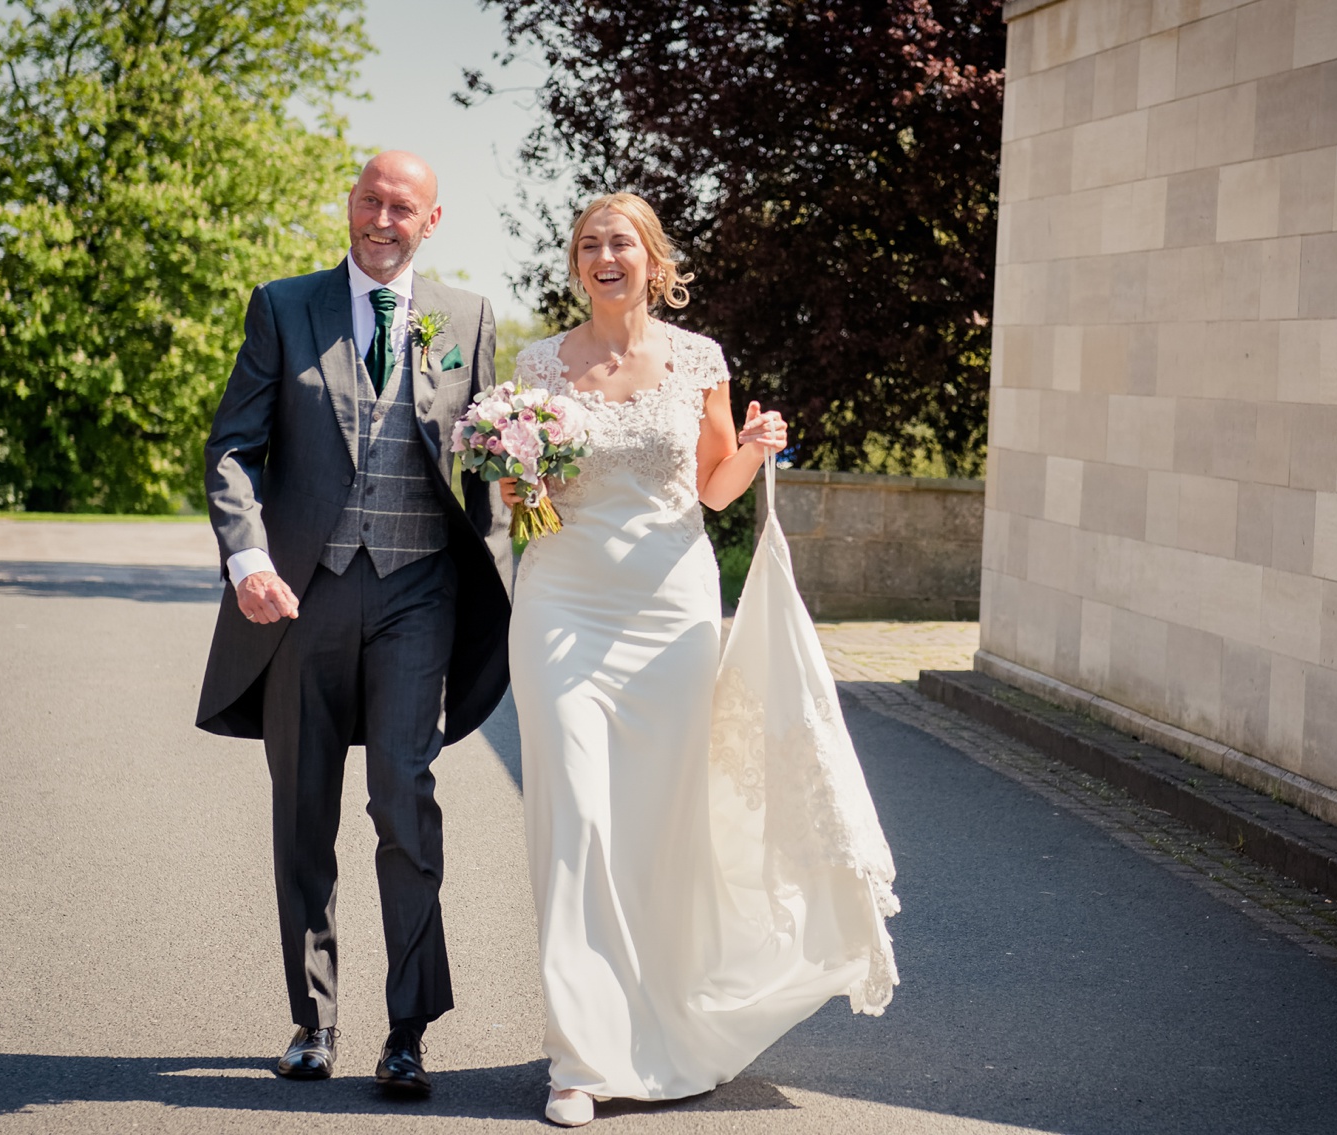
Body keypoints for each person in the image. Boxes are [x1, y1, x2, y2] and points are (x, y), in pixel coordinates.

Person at [503, 193, 895, 1128]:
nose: (606, 256)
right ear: (575, 263)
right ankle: (580, 1056)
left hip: (670, 612)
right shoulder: (534, 365)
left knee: (659, 826)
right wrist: (519, 478)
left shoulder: (698, 360)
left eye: (622, 243)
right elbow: (532, 503)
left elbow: (713, 490)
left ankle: (662, 1026)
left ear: (652, 260)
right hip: (561, 603)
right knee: (574, 820)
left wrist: (756, 447)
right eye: (591, 243)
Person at [195, 151, 513, 1097]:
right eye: (370, 200)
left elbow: (491, 467)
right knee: (304, 809)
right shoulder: (283, 305)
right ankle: (313, 1018)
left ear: (433, 219)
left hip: (420, 593)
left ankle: (407, 1028)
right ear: (349, 207)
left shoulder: (466, 316)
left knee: (405, 807)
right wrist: (248, 558)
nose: (383, 217)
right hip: (303, 595)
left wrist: (503, 583)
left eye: (402, 205)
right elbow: (233, 446)